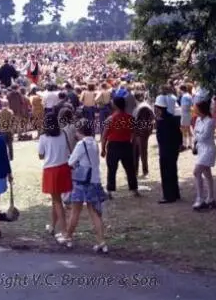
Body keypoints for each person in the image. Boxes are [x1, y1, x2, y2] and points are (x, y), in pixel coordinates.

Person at [63, 118, 108, 252]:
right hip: (94, 180)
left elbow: (70, 162)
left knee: (75, 212)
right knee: (95, 213)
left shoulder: (81, 145)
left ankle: (68, 237)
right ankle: (101, 242)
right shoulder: (94, 143)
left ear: (79, 131)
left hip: (81, 182)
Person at [38, 111, 72, 242]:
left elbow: (41, 155)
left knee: (57, 201)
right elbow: (69, 149)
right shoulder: (62, 133)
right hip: (64, 168)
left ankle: (64, 231)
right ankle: (52, 226)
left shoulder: (43, 137)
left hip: (51, 170)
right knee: (56, 199)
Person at [100, 96, 140, 199]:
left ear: (115, 105)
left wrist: (103, 149)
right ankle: (134, 189)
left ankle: (110, 191)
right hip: (126, 145)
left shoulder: (110, 118)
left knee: (112, 169)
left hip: (113, 146)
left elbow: (104, 136)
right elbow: (134, 134)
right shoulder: (130, 118)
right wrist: (133, 145)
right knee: (130, 168)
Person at [154, 95, 183, 204]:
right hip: (173, 149)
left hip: (166, 150)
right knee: (172, 171)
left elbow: (163, 137)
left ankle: (168, 196)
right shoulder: (171, 118)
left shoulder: (162, 121)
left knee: (166, 172)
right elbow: (178, 133)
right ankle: (175, 193)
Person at [192, 100, 216, 211]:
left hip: (208, 149)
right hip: (201, 149)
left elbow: (204, 136)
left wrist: (197, 136)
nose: (195, 110)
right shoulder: (198, 120)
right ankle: (210, 198)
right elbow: (196, 134)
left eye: (196, 108)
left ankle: (200, 199)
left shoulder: (210, 121)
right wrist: (196, 140)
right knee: (207, 174)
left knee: (197, 171)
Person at [132, 92, 154, 178]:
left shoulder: (143, 107)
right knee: (136, 152)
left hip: (141, 133)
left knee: (142, 152)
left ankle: (145, 171)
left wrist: (142, 132)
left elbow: (146, 121)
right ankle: (135, 171)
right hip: (138, 133)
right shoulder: (142, 106)